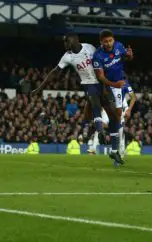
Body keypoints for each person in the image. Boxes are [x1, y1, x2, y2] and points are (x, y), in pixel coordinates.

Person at [31, 33, 121, 164]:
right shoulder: (67, 57)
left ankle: (114, 151)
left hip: (103, 83)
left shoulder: (89, 48)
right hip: (88, 84)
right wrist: (39, 88)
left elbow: (104, 60)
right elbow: (55, 72)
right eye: (64, 42)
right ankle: (100, 130)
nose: (66, 44)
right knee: (95, 105)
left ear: (76, 39)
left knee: (114, 117)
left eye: (67, 41)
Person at [92, 29, 134, 165]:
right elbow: (100, 77)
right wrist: (113, 84)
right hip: (106, 87)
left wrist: (129, 56)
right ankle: (114, 148)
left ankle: (115, 150)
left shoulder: (119, 46)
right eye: (105, 41)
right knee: (115, 118)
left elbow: (127, 59)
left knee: (117, 119)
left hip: (119, 85)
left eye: (110, 40)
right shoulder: (97, 56)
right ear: (101, 42)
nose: (109, 43)